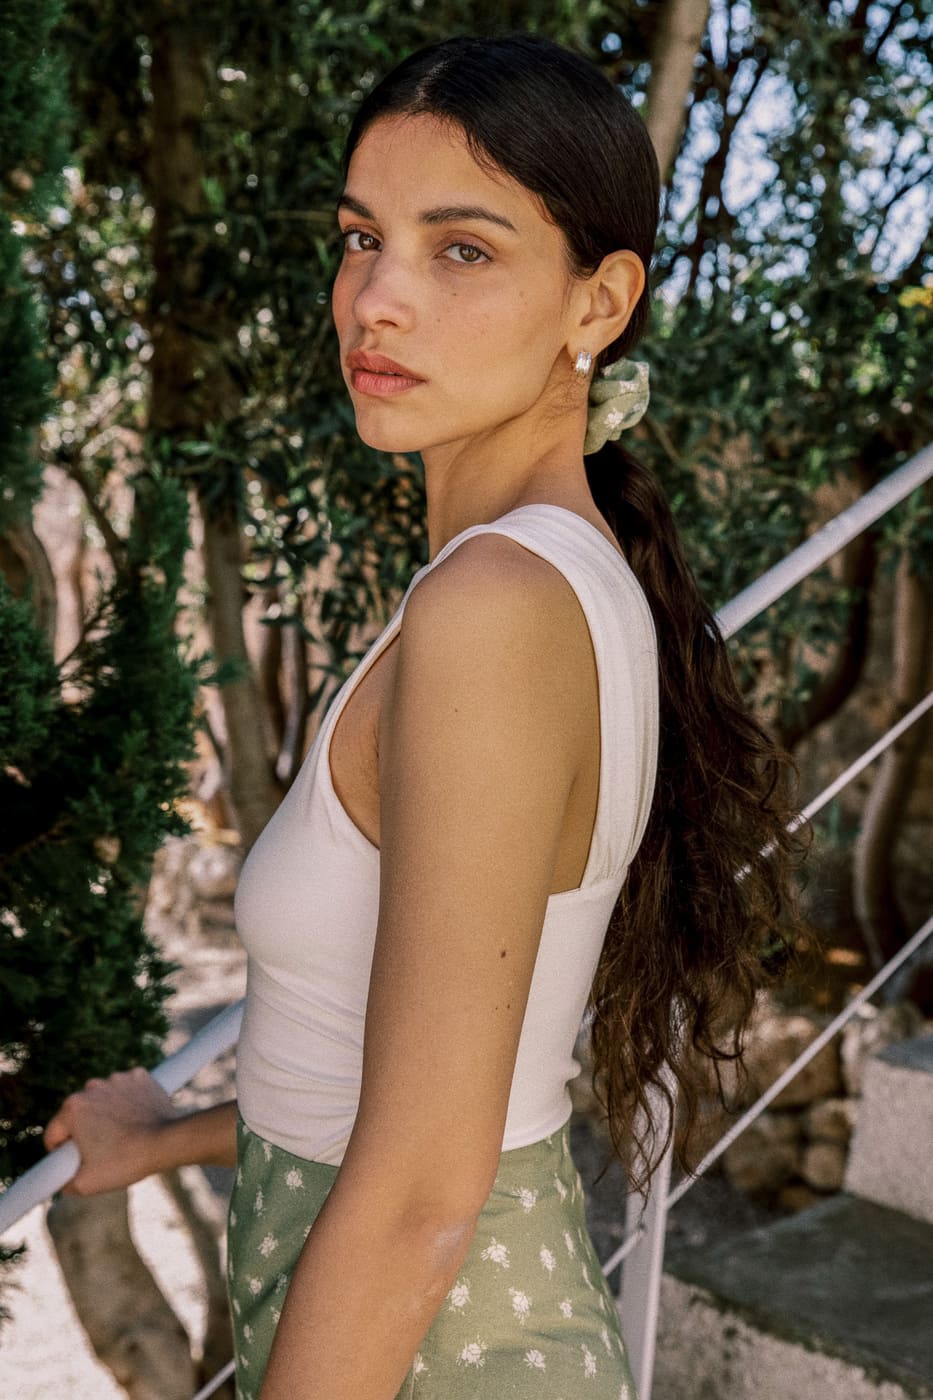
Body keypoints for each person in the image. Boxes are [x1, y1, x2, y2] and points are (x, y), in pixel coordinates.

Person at [44, 32, 802, 1400]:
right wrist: (166, 1138)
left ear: (598, 302)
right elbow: (419, 1086)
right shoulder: (543, 581)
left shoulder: (495, 609)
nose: (375, 300)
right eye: (360, 239)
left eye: (461, 249)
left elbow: (420, 1194)